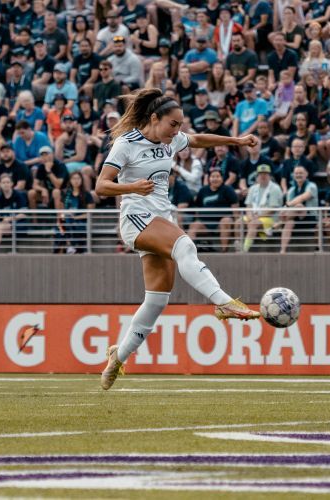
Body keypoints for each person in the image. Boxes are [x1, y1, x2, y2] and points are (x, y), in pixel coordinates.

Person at [94, 88, 260, 391]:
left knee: (157, 300)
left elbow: (197, 140)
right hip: (135, 219)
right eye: (173, 124)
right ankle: (224, 303)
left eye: (180, 124)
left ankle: (117, 357)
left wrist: (235, 141)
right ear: (154, 118)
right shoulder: (126, 144)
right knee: (185, 245)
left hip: (160, 220)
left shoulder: (170, 140)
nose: (178, 130)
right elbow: (101, 186)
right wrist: (131, 188)